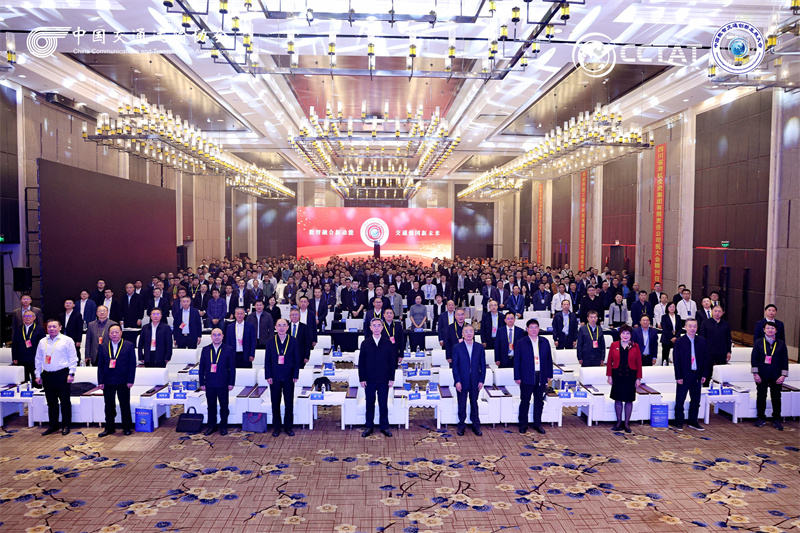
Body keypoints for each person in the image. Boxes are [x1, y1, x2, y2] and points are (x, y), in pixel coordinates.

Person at [35, 319, 78, 436]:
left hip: (62, 374)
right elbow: (38, 359)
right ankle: (53, 426)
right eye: (49, 327)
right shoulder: (42, 341)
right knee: (51, 402)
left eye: (54, 326)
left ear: (60, 327)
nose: (52, 329)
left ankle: (66, 425)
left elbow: (73, 358)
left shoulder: (67, 340)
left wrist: (71, 373)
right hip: (47, 375)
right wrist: (37, 374)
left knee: (65, 402)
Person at [358, 318, 396, 438]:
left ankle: (384, 427)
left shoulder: (387, 343)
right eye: (374, 325)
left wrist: (391, 378)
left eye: (379, 325)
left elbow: (392, 362)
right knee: (370, 403)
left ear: (382, 327)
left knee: (383, 404)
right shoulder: (365, 343)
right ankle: (369, 426)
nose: (376, 328)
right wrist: (362, 378)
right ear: (370, 328)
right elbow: (361, 362)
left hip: (384, 379)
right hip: (369, 379)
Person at [514, 319, 553, 435]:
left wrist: (549, 375)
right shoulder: (521, 342)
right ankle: (523, 424)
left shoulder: (545, 341)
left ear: (539, 329)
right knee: (525, 401)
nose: (534, 329)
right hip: (526, 376)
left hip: (541, 376)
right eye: (531, 327)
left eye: (536, 327)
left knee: (539, 401)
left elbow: (549, 359)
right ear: (527, 329)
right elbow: (517, 361)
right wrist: (517, 376)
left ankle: (537, 424)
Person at [97, 325, 136, 437]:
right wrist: (100, 381)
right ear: (108, 334)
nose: (114, 334)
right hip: (108, 380)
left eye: (116, 332)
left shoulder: (129, 345)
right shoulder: (103, 346)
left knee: (124, 404)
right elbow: (100, 365)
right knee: (109, 405)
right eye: (112, 332)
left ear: (121, 333)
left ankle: (127, 427)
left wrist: (130, 380)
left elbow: (132, 364)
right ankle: (109, 428)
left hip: (123, 380)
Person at [264, 319, 300, 437]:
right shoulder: (270, 341)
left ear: (287, 327)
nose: (281, 327)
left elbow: (297, 359)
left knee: (289, 403)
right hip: (274, 377)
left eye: (284, 325)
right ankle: (277, 427)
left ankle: (288, 427)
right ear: (275, 327)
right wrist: (268, 375)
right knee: (275, 403)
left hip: (289, 377)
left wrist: (295, 374)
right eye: (279, 325)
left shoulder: (293, 341)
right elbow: (267, 360)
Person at [751, 321, 789, 431]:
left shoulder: (781, 344)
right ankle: (760, 418)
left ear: (776, 330)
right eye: (768, 328)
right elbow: (754, 359)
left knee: (776, 397)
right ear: (764, 330)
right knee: (761, 396)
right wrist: (755, 374)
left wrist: (783, 375)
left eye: (772, 328)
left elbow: (784, 360)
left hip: (776, 375)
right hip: (761, 374)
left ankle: (776, 419)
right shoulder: (758, 342)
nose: (770, 330)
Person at [199, 328, 236, 436]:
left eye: (219, 334)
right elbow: (201, 368)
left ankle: (223, 426)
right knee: (211, 406)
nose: (216, 337)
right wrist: (202, 383)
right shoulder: (205, 349)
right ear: (211, 336)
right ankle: (211, 426)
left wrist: (231, 382)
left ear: (223, 336)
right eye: (214, 335)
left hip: (223, 383)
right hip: (209, 383)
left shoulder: (228, 349)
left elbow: (232, 368)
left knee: (224, 406)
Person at [671, 318, 707, 431]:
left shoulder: (702, 340)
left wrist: (704, 374)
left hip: (697, 375)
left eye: (694, 326)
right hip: (684, 375)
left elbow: (705, 359)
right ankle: (679, 422)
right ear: (685, 327)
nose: (692, 328)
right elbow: (676, 361)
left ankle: (693, 421)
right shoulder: (679, 342)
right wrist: (678, 376)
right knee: (680, 400)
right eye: (690, 326)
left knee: (695, 400)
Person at [606, 325, 642, 433]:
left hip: (630, 375)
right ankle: (618, 422)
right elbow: (609, 362)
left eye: (628, 333)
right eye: (623, 333)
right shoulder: (614, 345)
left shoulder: (635, 346)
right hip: (617, 375)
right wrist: (609, 376)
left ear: (631, 335)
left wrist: (638, 378)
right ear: (620, 334)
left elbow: (639, 363)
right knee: (617, 399)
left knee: (628, 400)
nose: (625, 335)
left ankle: (626, 423)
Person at [451, 324, 486, 437]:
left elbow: (483, 365)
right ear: (462, 334)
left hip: (475, 380)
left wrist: (481, 380)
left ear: (474, 333)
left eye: (471, 331)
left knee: (474, 403)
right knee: (462, 403)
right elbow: (455, 366)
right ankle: (461, 425)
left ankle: (476, 425)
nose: (469, 333)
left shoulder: (479, 347)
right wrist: (457, 381)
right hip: (462, 380)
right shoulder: (457, 347)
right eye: (466, 331)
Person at [698, 306, 731, 383]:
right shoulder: (705, 323)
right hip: (708, 352)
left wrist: (729, 351)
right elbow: (702, 338)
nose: (717, 313)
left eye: (719, 311)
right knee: (707, 372)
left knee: (721, 372)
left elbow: (728, 339)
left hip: (722, 352)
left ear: (722, 313)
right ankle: (705, 387)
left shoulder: (726, 324)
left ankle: (721, 388)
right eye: (715, 311)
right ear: (712, 312)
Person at [12, 310, 46, 386]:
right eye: (25, 316)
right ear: (23, 318)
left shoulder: (40, 329)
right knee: (23, 380)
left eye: (30, 316)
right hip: (21, 357)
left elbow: (43, 345)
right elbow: (14, 344)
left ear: (34, 317)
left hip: (34, 357)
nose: (28, 318)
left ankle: (37, 391)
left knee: (36, 379)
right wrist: (14, 357)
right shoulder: (18, 329)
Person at [660, 302, 682, 366]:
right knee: (665, 355)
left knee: (677, 354)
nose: (672, 308)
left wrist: (676, 337)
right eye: (670, 307)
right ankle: (664, 367)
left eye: (673, 307)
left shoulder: (678, 317)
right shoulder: (664, 317)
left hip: (676, 339)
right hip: (666, 339)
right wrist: (671, 337)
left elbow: (680, 328)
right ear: (667, 308)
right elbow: (664, 328)